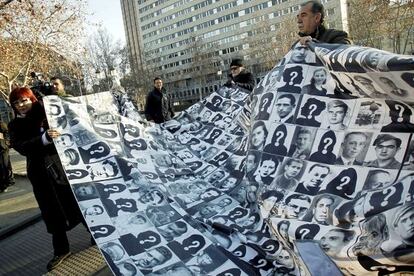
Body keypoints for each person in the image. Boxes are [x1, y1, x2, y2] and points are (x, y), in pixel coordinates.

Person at [8, 87, 88, 271]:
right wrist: (43, 138)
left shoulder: (48, 113)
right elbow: (20, 146)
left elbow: (66, 106)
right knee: (50, 211)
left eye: (24, 100)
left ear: (32, 99)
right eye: (16, 103)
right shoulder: (15, 125)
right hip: (40, 174)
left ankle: (96, 234)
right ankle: (61, 250)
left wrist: (51, 93)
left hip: (62, 168)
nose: (21, 105)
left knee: (76, 203)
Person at [0, 120, 14, 192]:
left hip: (2, 148)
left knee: (4, 167)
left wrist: (6, 142)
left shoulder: (1, 123)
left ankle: (4, 185)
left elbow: (7, 132)